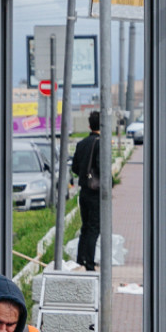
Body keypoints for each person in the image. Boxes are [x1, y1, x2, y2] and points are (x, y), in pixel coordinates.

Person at [71, 110, 106, 270]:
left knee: (85, 226)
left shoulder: (81, 143)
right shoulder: (101, 144)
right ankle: (90, 264)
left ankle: (80, 259)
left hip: (84, 190)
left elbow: (75, 168)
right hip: (95, 192)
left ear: (89, 125)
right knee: (94, 227)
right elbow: (101, 168)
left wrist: (85, 177)